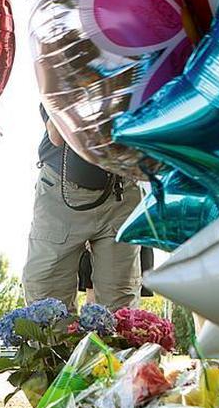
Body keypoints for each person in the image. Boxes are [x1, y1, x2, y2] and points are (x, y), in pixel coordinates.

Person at [23, 104, 142, 312]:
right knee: (46, 302)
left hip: (120, 192)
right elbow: (56, 134)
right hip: (60, 195)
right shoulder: (61, 71)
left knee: (120, 310)